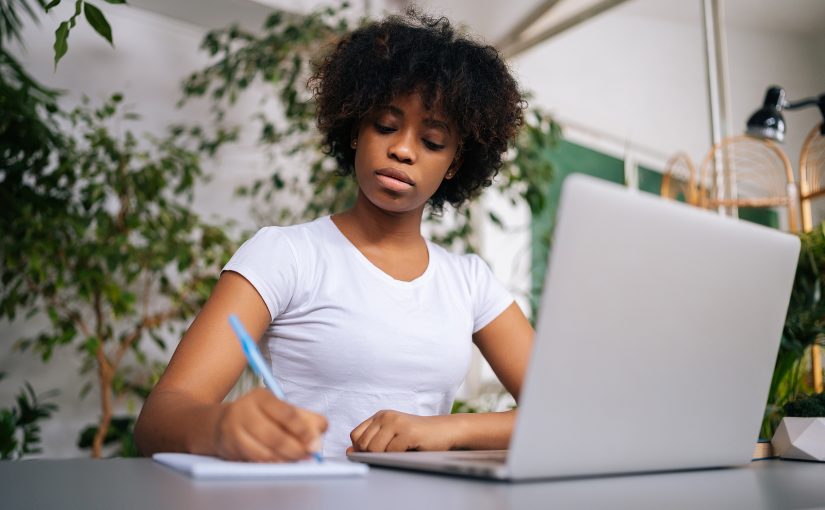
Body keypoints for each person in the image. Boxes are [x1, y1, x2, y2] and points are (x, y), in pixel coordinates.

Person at [134, 9, 534, 461]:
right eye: (385, 125)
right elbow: (157, 421)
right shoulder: (285, 254)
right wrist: (220, 426)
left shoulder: (469, 281)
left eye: (433, 141)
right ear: (354, 132)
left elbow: (558, 416)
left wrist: (448, 430)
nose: (402, 149)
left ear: (455, 164)